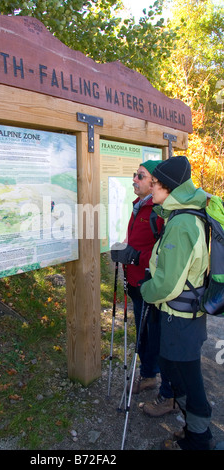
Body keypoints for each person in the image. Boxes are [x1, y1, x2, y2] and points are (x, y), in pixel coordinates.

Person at [140, 156, 214, 450]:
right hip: (184, 317)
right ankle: (194, 430)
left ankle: (199, 438)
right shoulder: (182, 215)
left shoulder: (182, 224)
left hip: (181, 319)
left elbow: (168, 284)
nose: (151, 187)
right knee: (177, 372)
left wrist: (146, 289)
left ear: (169, 188)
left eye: (155, 183)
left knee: (188, 379)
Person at [111, 160, 174, 416]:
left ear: (154, 182)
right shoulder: (139, 206)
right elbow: (137, 241)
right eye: (135, 175)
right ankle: (149, 376)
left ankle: (168, 394)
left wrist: (136, 257)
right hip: (136, 285)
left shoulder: (160, 211)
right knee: (144, 335)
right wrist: (125, 250)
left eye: (141, 176)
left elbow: (165, 255)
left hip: (153, 286)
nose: (134, 179)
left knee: (159, 338)